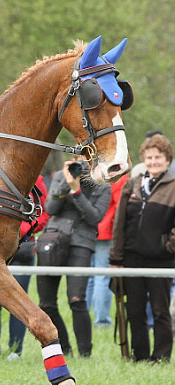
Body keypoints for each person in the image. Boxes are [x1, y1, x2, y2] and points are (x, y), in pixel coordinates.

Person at [110, 133, 175, 362]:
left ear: (167, 160)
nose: (153, 162)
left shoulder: (173, 187)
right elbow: (119, 224)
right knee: (134, 310)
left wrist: (167, 246)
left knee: (160, 310)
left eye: (158, 157)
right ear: (143, 159)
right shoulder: (133, 184)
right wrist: (116, 258)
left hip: (161, 260)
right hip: (131, 259)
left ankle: (161, 357)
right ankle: (140, 356)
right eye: (149, 157)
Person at [36, 157, 109, 357]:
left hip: (81, 244)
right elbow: (51, 208)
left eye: (87, 160)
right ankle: (64, 349)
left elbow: (94, 217)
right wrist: (66, 183)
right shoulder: (61, 176)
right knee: (46, 303)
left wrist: (77, 191)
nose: (82, 165)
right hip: (53, 241)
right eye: (78, 159)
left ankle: (85, 354)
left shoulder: (102, 184)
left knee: (76, 300)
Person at [0, 176, 50, 359]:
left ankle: (16, 350)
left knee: (19, 303)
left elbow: (43, 214)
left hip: (22, 249)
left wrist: (16, 232)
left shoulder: (36, 180)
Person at [86, 172, 127, 327]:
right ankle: (101, 321)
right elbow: (119, 206)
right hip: (106, 230)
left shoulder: (93, 171)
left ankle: (84, 317)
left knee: (89, 276)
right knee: (102, 276)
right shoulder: (119, 175)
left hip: (87, 229)